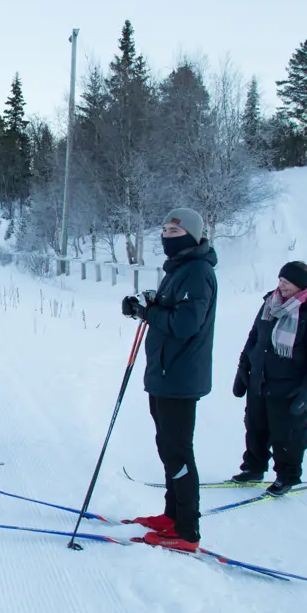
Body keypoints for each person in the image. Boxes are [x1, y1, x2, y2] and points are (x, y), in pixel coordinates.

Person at [123, 207, 217, 552]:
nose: (167, 237)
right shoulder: (180, 270)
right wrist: (147, 302)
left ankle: (187, 531)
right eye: (164, 231)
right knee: (167, 447)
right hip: (165, 372)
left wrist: (148, 312)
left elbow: (185, 324)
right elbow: (172, 308)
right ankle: (172, 515)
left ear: (192, 236)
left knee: (178, 452)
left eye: (175, 233)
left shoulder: (196, 271)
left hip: (180, 375)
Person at [230, 262, 307, 494]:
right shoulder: (269, 303)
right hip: (259, 379)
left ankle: (288, 475)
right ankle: (253, 468)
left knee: (286, 433)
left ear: (300, 285)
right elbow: (254, 336)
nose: (281, 285)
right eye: (280, 280)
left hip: (288, 386)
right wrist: (243, 366)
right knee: (255, 427)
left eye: (287, 282)